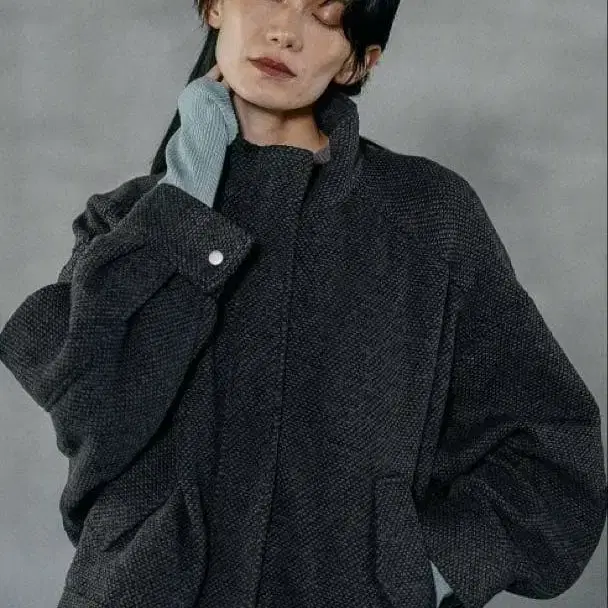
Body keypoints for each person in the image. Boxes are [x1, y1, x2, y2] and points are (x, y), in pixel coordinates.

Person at [0, 1, 605, 607]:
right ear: (215, 7)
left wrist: (422, 568)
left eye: (324, 15)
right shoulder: (127, 220)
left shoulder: (426, 217)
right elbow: (94, 415)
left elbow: (552, 446)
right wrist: (186, 196)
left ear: (357, 62)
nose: (284, 31)